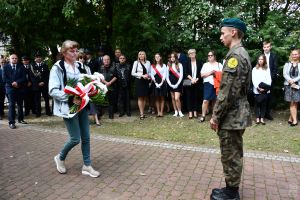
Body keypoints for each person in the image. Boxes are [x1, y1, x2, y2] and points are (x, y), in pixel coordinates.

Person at [209, 18, 252, 200]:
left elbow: (227, 92)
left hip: (232, 115)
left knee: (230, 154)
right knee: (232, 152)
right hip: (236, 113)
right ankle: (230, 188)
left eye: (223, 33)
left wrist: (215, 116)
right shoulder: (240, 53)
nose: (221, 37)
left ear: (233, 32)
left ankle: (232, 193)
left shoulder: (235, 57)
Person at [49, 40, 100, 178]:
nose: (75, 53)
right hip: (68, 106)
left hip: (82, 105)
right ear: (64, 53)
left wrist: (93, 88)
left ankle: (87, 166)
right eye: (72, 50)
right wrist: (71, 98)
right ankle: (60, 157)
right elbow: (53, 90)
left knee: (86, 137)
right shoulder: (57, 68)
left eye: (76, 50)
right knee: (75, 139)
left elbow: (87, 82)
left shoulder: (80, 66)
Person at [2, 54, 28, 129]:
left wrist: (17, 82)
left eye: (16, 58)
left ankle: (20, 119)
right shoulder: (5, 67)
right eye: (12, 58)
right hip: (10, 89)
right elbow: (4, 78)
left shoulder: (21, 66)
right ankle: (11, 122)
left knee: (20, 104)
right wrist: (12, 83)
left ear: (17, 59)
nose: (14, 59)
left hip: (20, 88)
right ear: (10, 59)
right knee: (12, 105)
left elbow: (24, 77)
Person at [199, 51, 223, 122]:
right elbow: (202, 75)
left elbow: (223, 75)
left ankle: (214, 116)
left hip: (217, 84)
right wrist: (211, 72)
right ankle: (203, 116)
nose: (209, 56)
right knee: (205, 100)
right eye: (208, 55)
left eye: (211, 55)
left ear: (214, 56)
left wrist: (216, 74)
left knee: (215, 100)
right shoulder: (205, 65)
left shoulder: (219, 64)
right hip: (208, 84)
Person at [30, 52, 52, 117]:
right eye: (37, 57)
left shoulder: (45, 65)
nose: (38, 58)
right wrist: (38, 83)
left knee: (46, 99)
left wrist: (44, 82)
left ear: (41, 58)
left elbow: (47, 75)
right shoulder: (32, 66)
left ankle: (48, 111)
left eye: (39, 57)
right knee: (37, 99)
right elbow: (32, 77)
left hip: (44, 85)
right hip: (36, 86)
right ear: (35, 59)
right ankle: (38, 112)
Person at [252, 55, 272, 125]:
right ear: (258, 60)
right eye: (259, 59)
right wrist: (257, 87)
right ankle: (257, 118)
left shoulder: (267, 69)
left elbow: (269, 79)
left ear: (264, 60)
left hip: (265, 89)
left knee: (264, 104)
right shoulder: (254, 69)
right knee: (257, 104)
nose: (260, 60)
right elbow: (253, 79)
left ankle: (262, 118)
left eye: (262, 59)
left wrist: (265, 88)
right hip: (257, 89)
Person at [131, 51, 151, 119]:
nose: (141, 55)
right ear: (138, 56)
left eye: (143, 54)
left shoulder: (148, 62)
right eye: (140, 54)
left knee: (145, 97)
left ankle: (143, 112)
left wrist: (148, 75)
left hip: (146, 81)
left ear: (145, 55)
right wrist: (142, 75)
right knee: (140, 97)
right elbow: (133, 73)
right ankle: (141, 114)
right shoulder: (136, 62)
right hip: (139, 81)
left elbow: (150, 72)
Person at [283, 49, 300, 126]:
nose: (294, 56)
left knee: (295, 103)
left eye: (296, 54)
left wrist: (294, 80)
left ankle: (291, 118)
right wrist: (290, 80)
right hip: (288, 85)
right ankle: (295, 121)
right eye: (293, 54)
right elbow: (285, 74)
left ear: (299, 55)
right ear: (291, 55)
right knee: (292, 103)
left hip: (297, 85)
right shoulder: (287, 64)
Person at [263, 41, 278, 120]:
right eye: (265, 47)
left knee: (269, 97)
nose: (266, 48)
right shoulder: (260, 56)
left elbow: (275, 68)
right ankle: (261, 114)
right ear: (263, 48)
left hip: (271, 79)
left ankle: (267, 113)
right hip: (262, 79)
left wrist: (270, 79)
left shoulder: (274, 56)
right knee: (261, 96)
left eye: (268, 47)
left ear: (270, 47)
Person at [99, 55, 117, 119]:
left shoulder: (113, 67)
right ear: (103, 61)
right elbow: (98, 77)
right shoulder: (100, 68)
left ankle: (111, 115)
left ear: (110, 60)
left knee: (111, 102)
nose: (106, 61)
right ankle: (99, 115)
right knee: (100, 101)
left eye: (108, 59)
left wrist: (110, 83)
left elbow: (115, 76)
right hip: (103, 87)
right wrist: (106, 82)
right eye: (105, 60)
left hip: (111, 87)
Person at [185, 49, 202, 119]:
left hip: (197, 81)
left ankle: (195, 111)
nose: (192, 54)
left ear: (195, 54)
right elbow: (186, 73)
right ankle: (190, 112)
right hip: (189, 82)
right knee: (189, 97)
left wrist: (196, 79)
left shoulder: (199, 62)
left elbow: (201, 72)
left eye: (193, 53)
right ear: (189, 55)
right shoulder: (187, 62)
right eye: (190, 53)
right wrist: (192, 79)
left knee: (196, 97)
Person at [166, 52, 184, 117]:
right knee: (173, 98)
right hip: (170, 83)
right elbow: (166, 76)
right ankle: (175, 111)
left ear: (176, 57)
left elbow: (181, 76)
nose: (172, 58)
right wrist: (170, 84)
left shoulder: (180, 64)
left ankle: (180, 111)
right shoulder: (168, 65)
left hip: (178, 83)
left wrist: (177, 84)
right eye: (171, 57)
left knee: (177, 98)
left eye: (173, 57)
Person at [150, 53, 167, 117]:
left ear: (160, 57)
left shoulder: (164, 65)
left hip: (162, 81)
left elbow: (165, 74)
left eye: (158, 56)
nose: (157, 58)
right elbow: (151, 74)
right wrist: (156, 83)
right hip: (155, 82)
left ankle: (162, 112)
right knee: (156, 97)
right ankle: (158, 112)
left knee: (162, 97)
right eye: (155, 57)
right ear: (154, 58)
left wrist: (161, 83)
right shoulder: (152, 66)